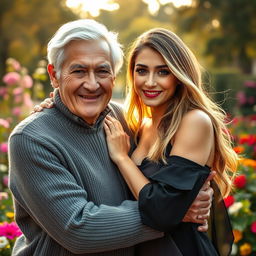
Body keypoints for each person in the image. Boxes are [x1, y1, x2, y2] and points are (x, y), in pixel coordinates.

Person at [8, 19, 213, 256]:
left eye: (102, 71)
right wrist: (173, 212)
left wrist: (186, 197)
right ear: (54, 76)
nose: (92, 84)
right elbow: (78, 229)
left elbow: (163, 171)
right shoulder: (31, 139)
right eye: (79, 70)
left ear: (114, 76)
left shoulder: (120, 119)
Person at [103, 28, 238, 256]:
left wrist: (122, 158)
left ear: (178, 75)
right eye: (142, 71)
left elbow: (162, 213)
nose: (150, 82)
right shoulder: (140, 126)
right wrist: (51, 106)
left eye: (163, 72)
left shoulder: (194, 121)